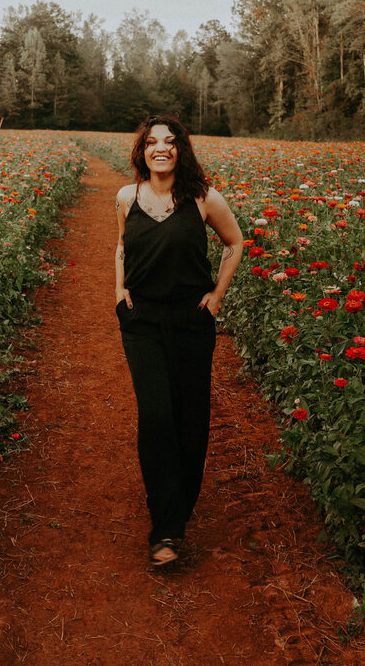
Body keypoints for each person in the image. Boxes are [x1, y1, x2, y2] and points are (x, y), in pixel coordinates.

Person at [114, 114, 244, 567]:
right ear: (142, 151)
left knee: (189, 419)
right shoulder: (126, 196)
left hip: (192, 320)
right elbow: (122, 247)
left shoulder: (205, 199)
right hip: (143, 321)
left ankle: (180, 508)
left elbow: (235, 243)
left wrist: (216, 297)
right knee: (155, 414)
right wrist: (120, 292)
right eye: (152, 142)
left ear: (181, 149)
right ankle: (166, 528)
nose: (160, 148)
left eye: (169, 142)